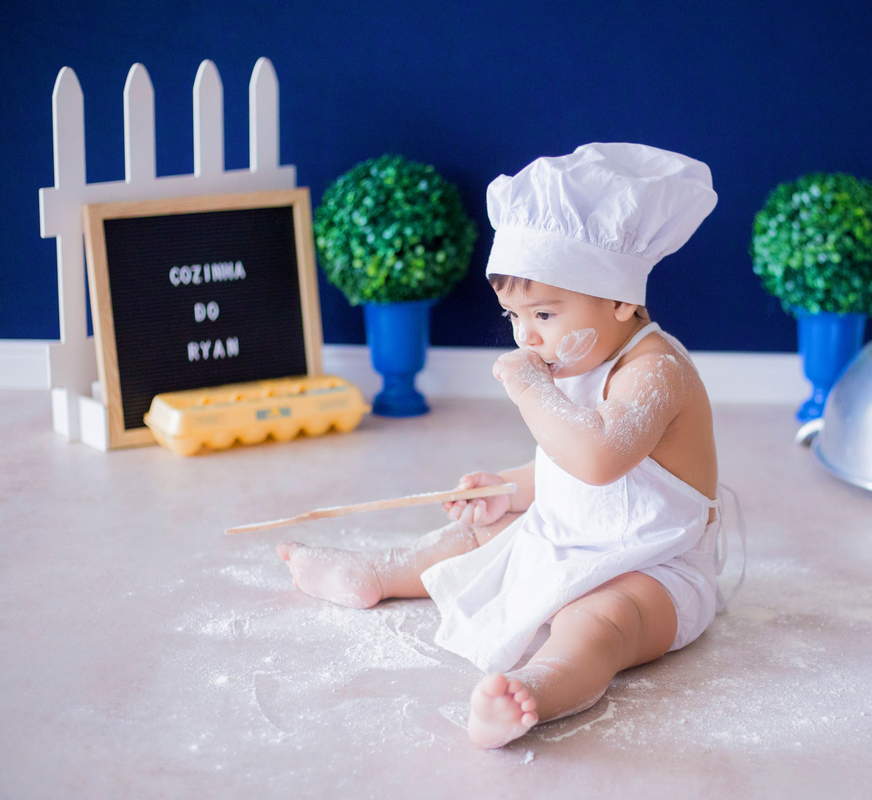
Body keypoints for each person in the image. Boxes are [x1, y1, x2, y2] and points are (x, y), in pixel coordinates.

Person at [278, 142, 725, 749]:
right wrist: (508, 488)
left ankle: (540, 686)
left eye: (544, 314)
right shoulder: (582, 356)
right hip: (572, 537)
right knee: (481, 537)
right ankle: (376, 573)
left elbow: (598, 460)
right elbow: (565, 469)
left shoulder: (654, 372)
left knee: (602, 620)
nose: (526, 336)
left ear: (621, 299)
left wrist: (528, 388)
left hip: (653, 567)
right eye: (514, 317)